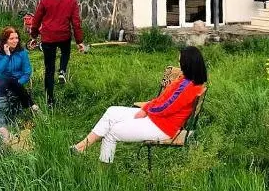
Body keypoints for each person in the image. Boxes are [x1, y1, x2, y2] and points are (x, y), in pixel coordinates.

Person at [71, 46, 207, 163]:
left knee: (112, 132)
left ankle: (103, 174)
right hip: (157, 118)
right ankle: (81, 147)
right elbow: (163, 99)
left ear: (187, 64)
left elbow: (166, 107)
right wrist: (148, 107)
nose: (178, 63)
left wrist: (146, 109)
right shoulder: (186, 80)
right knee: (112, 111)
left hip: (162, 126)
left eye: (180, 61)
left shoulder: (188, 86)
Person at [30, 0, 85, 107]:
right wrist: (79, 41)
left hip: (48, 37)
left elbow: (36, 19)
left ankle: (49, 100)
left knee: (49, 69)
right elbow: (76, 22)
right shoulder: (71, 1)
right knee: (65, 52)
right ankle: (62, 71)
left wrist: (33, 36)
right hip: (64, 36)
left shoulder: (45, 0)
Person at [0, 27, 38, 141]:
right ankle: (31, 106)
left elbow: (27, 72)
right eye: (11, 38)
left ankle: (0, 118)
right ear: (5, 40)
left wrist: (18, 84)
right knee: (7, 80)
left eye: (17, 38)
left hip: (18, 84)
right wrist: (7, 56)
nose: (15, 41)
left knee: (12, 81)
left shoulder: (22, 53)